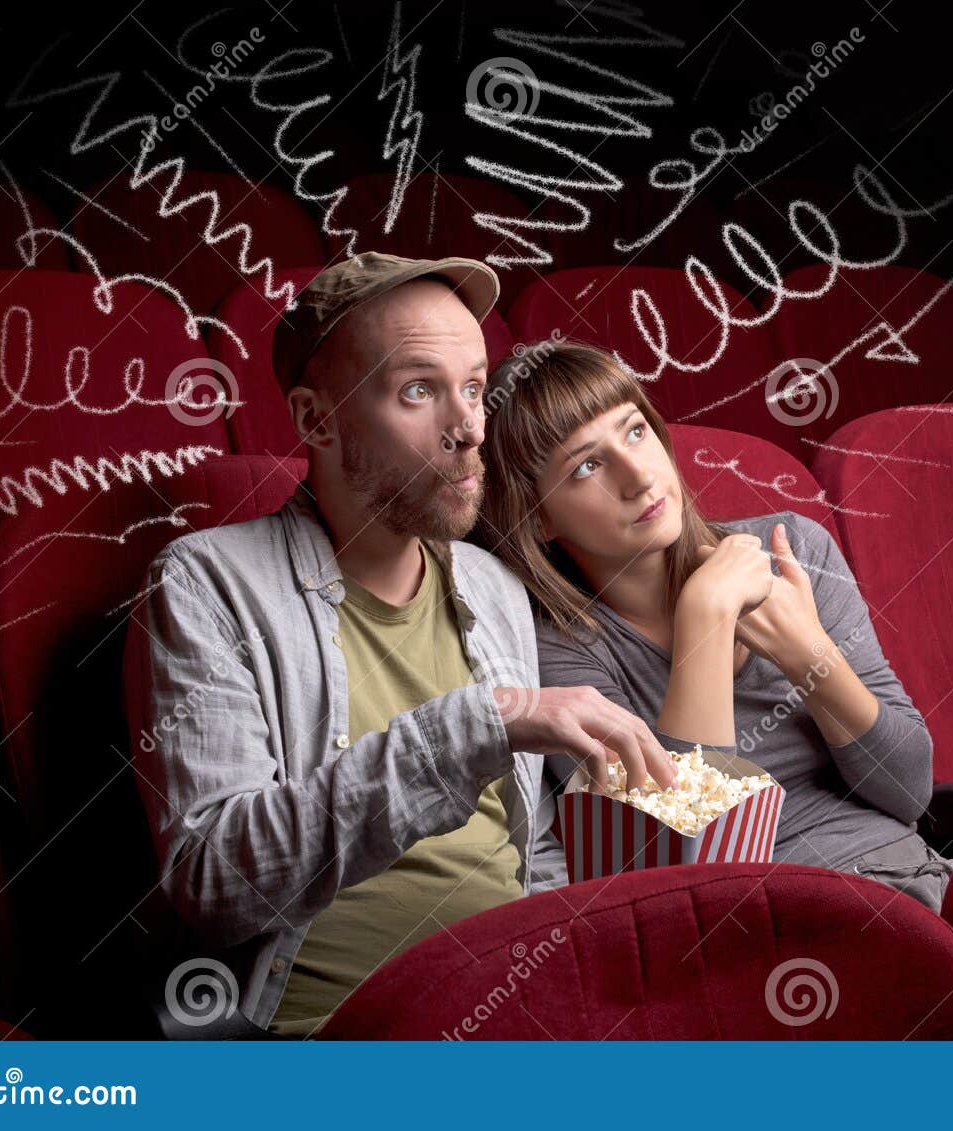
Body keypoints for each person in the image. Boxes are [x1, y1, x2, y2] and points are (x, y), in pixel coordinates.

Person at [128, 256, 676, 1037]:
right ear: (317, 420)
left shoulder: (494, 587)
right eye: (418, 391)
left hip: (520, 1013)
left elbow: (532, 849)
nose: (469, 428)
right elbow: (215, 882)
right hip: (338, 1029)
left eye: (475, 387)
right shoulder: (208, 582)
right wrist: (474, 726)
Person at [475, 341, 953, 913]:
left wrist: (807, 653)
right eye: (587, 466)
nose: (639, 477)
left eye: (634, 432)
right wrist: (706, 614)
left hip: (907, 879)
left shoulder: (791, 547)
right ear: (538, 517)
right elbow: (682, 874)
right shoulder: (556, 652)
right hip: (755, 928)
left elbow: (907, 792)